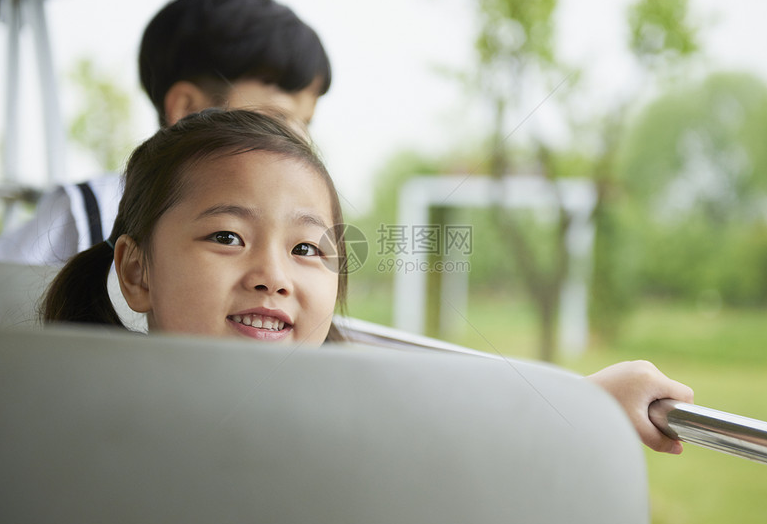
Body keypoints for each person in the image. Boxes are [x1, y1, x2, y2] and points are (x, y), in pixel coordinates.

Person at [42, 108, 694, 455]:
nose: (272, 275)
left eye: (306, 248)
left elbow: (460, 425)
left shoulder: (349, 424)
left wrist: (587, 401)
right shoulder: (62, 425)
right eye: (227, 238)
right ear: (135, 270)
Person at [0, 0, 330, 265]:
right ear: (190, 109)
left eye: (306, 122)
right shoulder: (93, 211)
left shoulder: (296, 230)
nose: (299, 139)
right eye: (278, 119)